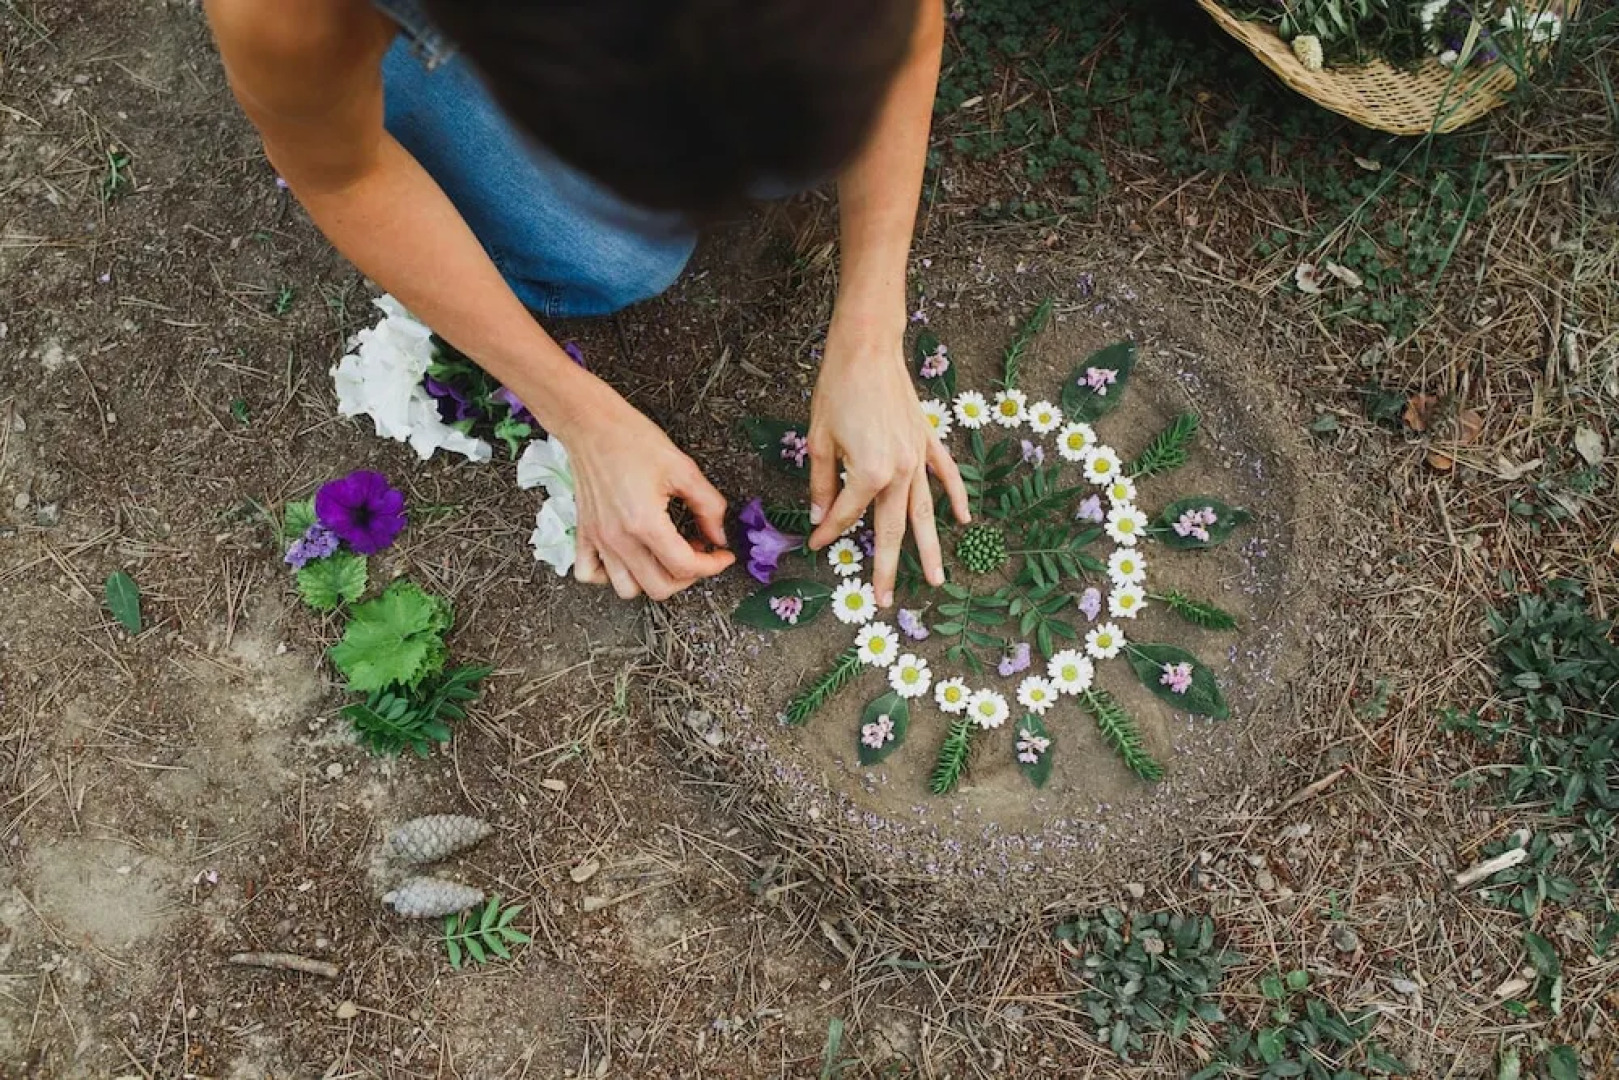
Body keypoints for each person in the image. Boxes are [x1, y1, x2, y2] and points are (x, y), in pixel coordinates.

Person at [204, 0, 969, 604]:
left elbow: (897, 18)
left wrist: (870, 328)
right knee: (607, 252)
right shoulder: (285, 15)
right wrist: (579, 415)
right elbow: (344, 173)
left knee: (796, 113)